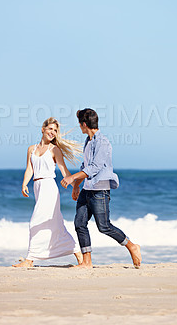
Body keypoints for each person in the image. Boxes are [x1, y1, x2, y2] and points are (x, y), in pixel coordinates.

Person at [61, 108, 142, 269]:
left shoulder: (102, 141)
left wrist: (72, 178)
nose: (79, 127)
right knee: (79, 223)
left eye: (79, 124)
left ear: (84, 124)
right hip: (87, 188)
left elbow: (95, 167)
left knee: (104, 226)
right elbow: (85, 166)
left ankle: (131, 246)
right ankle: (87, 262)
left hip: (100, 190)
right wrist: (76, 186)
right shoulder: (88, 141)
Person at [13, 117, 83, 268]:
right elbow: (30, 169)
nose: (53, 132)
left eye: (56, 130)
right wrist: (24, 183)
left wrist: (75, 185)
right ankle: (79, 255)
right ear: (43, 129)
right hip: (37, 187)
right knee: (56, 224)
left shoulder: (54, 150)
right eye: (50, 129)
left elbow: (64, 170)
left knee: (34, 222)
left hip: (49, 188)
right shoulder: (31, 149)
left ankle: (29, 260)